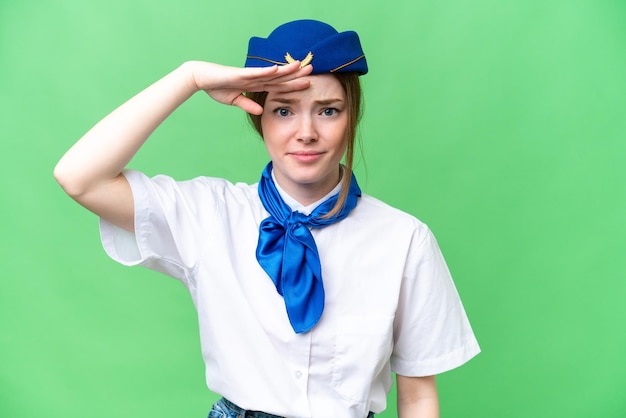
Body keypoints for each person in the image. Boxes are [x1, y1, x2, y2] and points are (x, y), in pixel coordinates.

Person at [54, 19, 479, 418]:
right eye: (283, 110)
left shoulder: (404, 238)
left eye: (328, 110)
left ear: (352, 118)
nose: (306, 132)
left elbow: (419, 392)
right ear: (258, 119)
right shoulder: (209, 214)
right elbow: (79, 177)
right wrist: (189, 79)